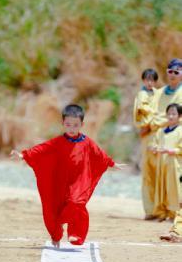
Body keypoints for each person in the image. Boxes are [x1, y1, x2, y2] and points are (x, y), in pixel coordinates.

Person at [10, 104, 125, 248]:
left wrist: (112, 163)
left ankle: (75, 233)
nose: (72, 128)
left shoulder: (87, 142)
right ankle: (56, 235)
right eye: (68, 125)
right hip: (60, 181)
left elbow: (99, 154)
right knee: (53, 211)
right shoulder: (58, 142)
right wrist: (23, 155)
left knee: (77, 203)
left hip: (79, 181)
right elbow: (42, 149)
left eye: (75, 125)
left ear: (81, 125)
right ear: (63, 123)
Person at [149, 103, 182, 222]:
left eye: (174, 114)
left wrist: (172, 150)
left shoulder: (180, 131)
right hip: (162, 164)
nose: (171, 116)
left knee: (174, 188)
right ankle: (163, 212)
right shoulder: (161, 131)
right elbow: (155, 143)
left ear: (179, 116)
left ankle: (175, 213)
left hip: (175, 164)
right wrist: (153, 148)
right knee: (162, 187)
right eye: (169, 114)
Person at [133, 68, 159, 220]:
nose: (150, 82)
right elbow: (142, 115)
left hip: (159, 135)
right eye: (147, 79)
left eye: (152, 80)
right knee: (148, 172)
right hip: (148, 135)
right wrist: (150, 124)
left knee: (160, 172)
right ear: (143, 80)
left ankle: (161, 209)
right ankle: (150, 209)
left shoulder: (158, 94)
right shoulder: (141, 95)